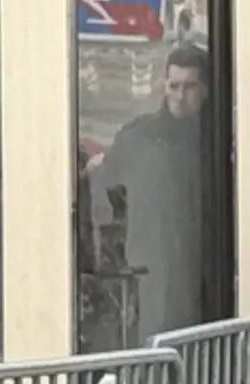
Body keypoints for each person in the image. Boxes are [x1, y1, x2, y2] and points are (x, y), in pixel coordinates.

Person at [88, 44, 219, 341]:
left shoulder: (216, 144)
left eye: (190, 87)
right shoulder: (139, 139)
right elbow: (106, 200)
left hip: (200, 273)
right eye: (174, 86)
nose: (180, 96)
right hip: (147, 270)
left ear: (206, 90)